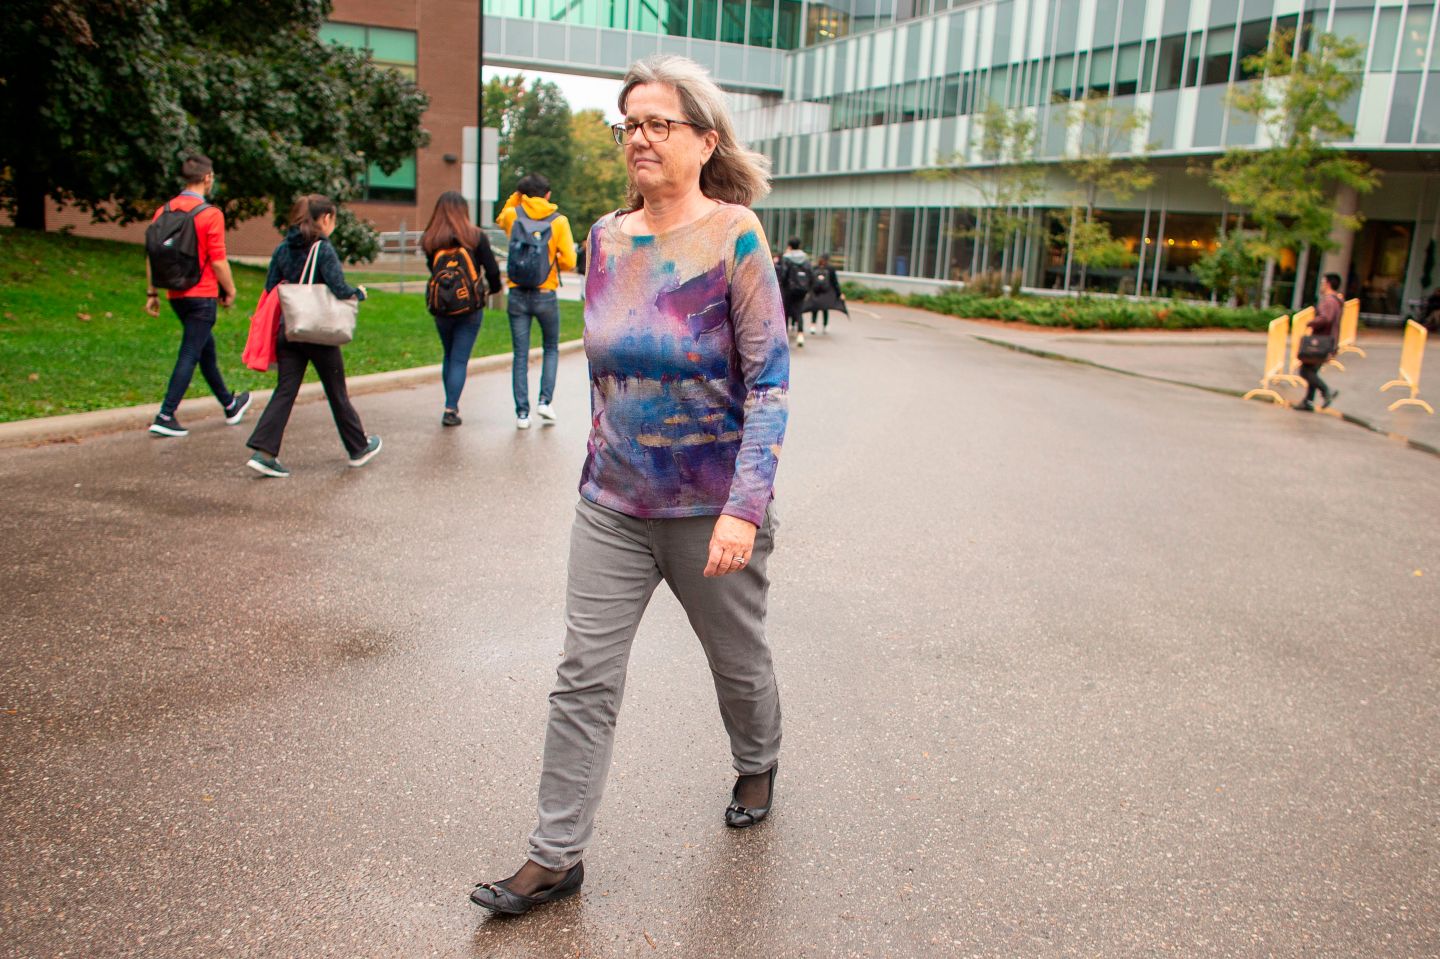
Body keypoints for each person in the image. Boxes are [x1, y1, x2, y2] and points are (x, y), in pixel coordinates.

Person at [470, 54, 789, 917]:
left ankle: (757, 758)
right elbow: (606, 371)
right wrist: (602, 457)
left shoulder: (736, 236)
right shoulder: (605, 238)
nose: (639, 138)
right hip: (611, 503)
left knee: (737, 661)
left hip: (710, 507)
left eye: (658, 123)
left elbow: (769, 383)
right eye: (630, 125)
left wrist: (744, 509)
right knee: (583, 674)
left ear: (705, 141)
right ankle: (555, 855)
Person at [244, 195, 381, 477]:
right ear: (326, 218)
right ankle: (358, 447)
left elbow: (271, 287)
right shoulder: (322, 248)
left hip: (290, 329)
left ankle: (264, 452)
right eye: (333, 219)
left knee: (285, 390)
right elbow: (339, 288)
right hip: (318, 333)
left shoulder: (283, 248)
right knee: (336, 391)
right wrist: (358, 293)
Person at [144, 154, 250, 437]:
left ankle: (230, 405)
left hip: (175, 294)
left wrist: (152, 292)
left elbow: (153, 255)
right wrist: (230, 290)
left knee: (205, 351)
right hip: (202, 295)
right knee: (191, 352)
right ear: (207, 178)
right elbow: (218, 261)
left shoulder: (163, 211)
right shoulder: (210, 214)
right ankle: (166, 414)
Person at [496, 173, 577, 429]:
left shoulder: (513, 215)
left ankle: (522, 414)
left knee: (520, 354)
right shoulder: (559, 221)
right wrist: (550, 262)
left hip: (517, 294)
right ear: (548, 194)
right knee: (550, 348)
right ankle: (545, 401)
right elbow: (570, 261)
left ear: (522, 194)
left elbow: (500, 218)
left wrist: (516, 198)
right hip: (545, 294)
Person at [421, 191, 502, 427]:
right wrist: (492, 289)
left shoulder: (431, 239)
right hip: (469, 307)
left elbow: (433, 270)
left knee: (449, 355)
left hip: (441, 307)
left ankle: (450, 403)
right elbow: (492, 269)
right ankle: (450, 408)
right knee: (459, 358)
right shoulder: (475, 236)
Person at [1298, 272, 1344, 412]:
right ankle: (1308, 401)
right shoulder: (1336, 300)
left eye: (1323, 282)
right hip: (1328, 341)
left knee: (1305, 371)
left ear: (1328, 284)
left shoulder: (1329, 301)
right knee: (1311, 369)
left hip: (1320, 341)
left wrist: (1311, 322)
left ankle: (1326, 391)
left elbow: (1326, 318)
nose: (1321, 286)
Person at [777, 236, 812, 348]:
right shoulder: (805, 258)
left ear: (790, 246)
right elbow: (810, 274)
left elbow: (783, 274)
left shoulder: (786, 258)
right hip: (801, 289)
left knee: (786, 312)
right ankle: (800, 335)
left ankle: (785, 337)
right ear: (799, 245)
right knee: (799, 311)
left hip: (789, 289)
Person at [806, 253, 846, 334]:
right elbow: (835, 282)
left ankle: (813, 325)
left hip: (816, 291)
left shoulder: (815, 268)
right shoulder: (830, 268)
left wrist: (808, 291)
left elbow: (810, 280)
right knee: (825, 308)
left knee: (815, 308)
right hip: (826, 292)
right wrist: (839, 293)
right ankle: (825, 325)